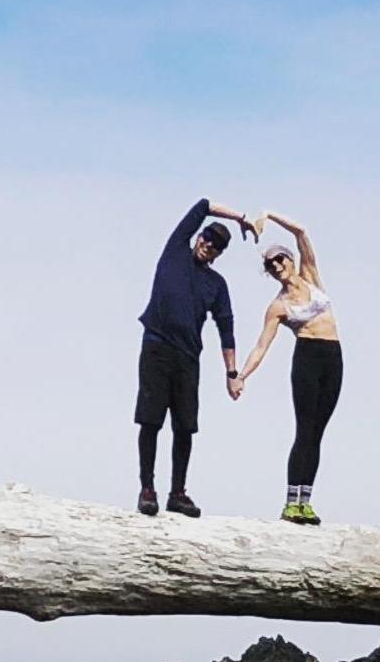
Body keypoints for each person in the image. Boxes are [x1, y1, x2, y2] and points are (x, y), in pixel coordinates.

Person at [134, 195, 252, 518]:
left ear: (218, 254)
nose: (208, 246)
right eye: (207, 238)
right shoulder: (176, 251)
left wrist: (232, 374)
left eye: (216, 246)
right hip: (156, 347)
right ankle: (147, 488)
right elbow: (203, 204)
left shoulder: (216, 284)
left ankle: (178, 493)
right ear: (199, 237)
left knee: (185, 426)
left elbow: (226, 329)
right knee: (150, 419)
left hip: (188, 358)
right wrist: (240, 217)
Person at [229, 209, 343, 524]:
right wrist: (240, 376)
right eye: (271, 265)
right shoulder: (278, 306)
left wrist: (268, 215)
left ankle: (306, 501)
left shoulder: (311, 276)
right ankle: (291, 501)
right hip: (306, 357)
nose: (277, 266)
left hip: (333, 357)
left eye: (280, 260)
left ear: (291, 261)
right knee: (304, 430)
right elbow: (261, 345)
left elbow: (302, 232)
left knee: (318, 433)